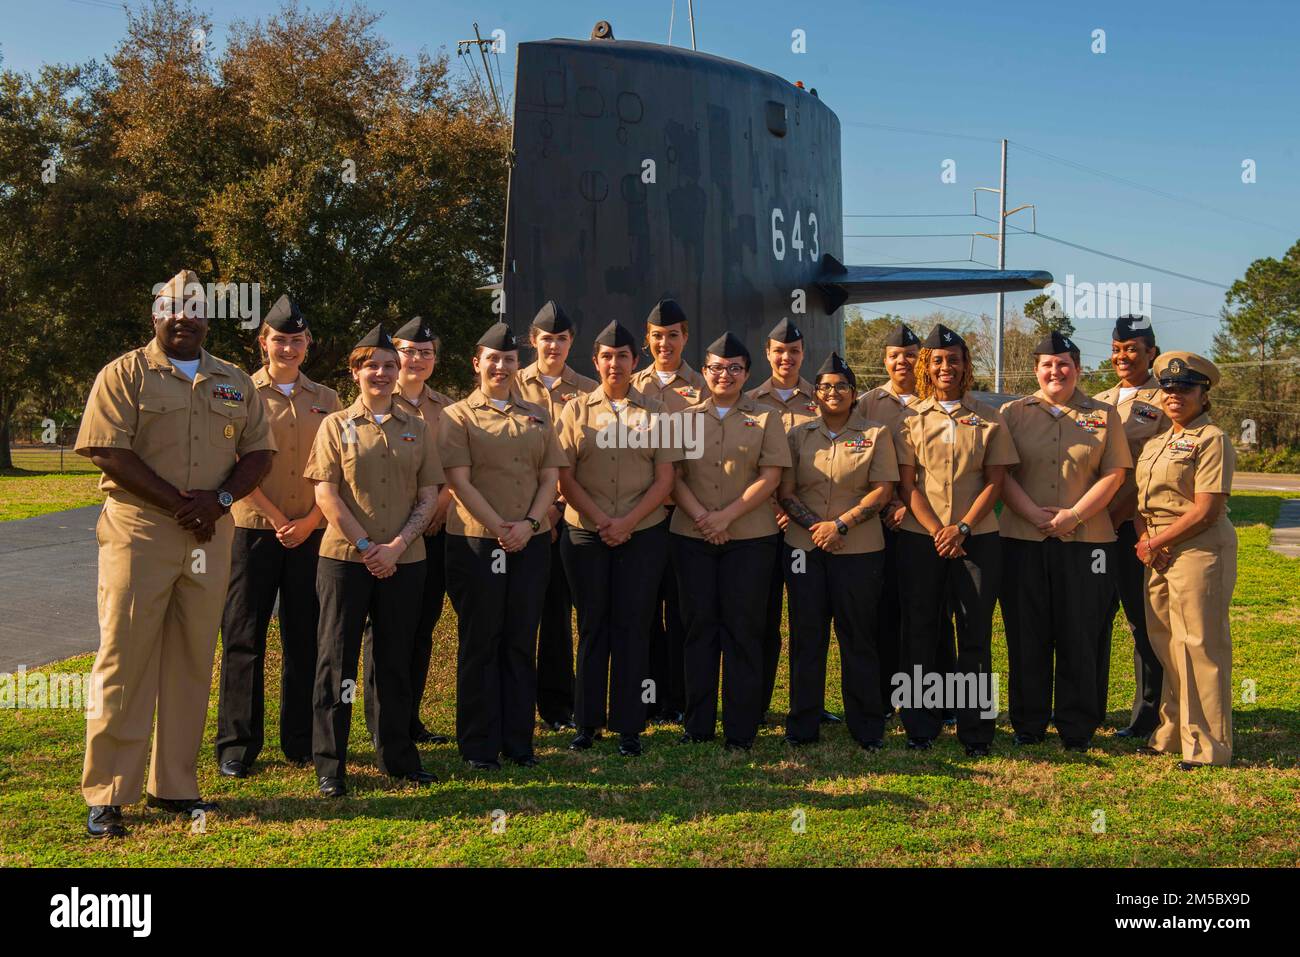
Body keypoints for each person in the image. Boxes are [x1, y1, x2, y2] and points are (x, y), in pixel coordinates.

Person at [75, 269, 275, 838]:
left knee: (191, 659)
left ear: (208, 316)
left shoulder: (234, 381)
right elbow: (108, 450)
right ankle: (109, 791)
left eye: (194, 307)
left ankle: (176, 785)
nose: (183, 316)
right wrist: (181, 505)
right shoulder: (125, 374)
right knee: (124, 658)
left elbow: (260, 452)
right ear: (155, 314)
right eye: (171, 307)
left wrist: (221, 501)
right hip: (140, 532)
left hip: (209, 535)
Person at [305, 324, 443, 797]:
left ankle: (398, 757)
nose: (382, 373)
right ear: (355, 372)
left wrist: (397, 547)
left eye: (389, 365)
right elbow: (326, 493)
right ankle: (330, 763)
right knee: (335, 662)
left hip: (406, 561)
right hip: (346, 560)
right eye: (372, 366)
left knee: (394, 661)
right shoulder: (334, 425)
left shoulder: (418, 427)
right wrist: (367, 548)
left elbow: (429, 495)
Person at [216, 294, 340, 779]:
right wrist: (273, 517)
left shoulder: (327, 399)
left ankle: (301, 739)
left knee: (304, 636)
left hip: (312, 532)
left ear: (307, 344)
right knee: (243, 637)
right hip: (252, 530)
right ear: (262, 342)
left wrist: (310, 520)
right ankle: (237, 744)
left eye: (296, 340)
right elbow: (232, 464)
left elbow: (334, 467)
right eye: (279, 340)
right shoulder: (238, 392)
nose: (287, 348)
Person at [439, 322, 567, 769]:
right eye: (492, 359)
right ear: (477, 363)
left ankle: (518, 741)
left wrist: (530, 523)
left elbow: (550, 476)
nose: (501, 366)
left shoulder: (538, 414)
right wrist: (500, 527)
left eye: (509, 360)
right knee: (481, 640)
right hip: (477, 542)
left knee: (519, 639)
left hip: (530, 543)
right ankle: (478, 745)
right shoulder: (456, 416)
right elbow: (458, 481)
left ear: (518, 364)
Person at [999, 331, 1132, 752]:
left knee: (1081, 631)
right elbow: (1000, 474)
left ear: (1077, 368)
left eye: (1063, 364)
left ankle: (1077, 725)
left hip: (1087, 541)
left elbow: (1115, 474)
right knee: (1026, 631)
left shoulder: (1104, 415)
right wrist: (1034, 515)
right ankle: (1029, 722)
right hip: (1024, 538)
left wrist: (1073, 515)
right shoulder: (1012, 413)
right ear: (1035, 370)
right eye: (1046, 365)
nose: (1055, 371)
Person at [557, 320, 680, 756]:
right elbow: (564, 476)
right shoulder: (573, 411)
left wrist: (627, 521)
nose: (615, 363)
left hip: (642, 533)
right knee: (593, 626)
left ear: (635, 361)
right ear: (595, 362)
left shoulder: (658, 414)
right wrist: (602, 520)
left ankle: (630, 724)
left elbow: (665, 479)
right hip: (585, 533)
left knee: (632, 626)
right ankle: (587, 722)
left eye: (623, 356)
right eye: (607, 356)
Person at [893, 325, 1018, 755]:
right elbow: (907, 486)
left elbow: (996, 481)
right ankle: (920, 725)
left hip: (977, 540)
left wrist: (961, 528)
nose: (946, 366)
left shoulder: (989, 417)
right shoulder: (909, 421)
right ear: (926, 366)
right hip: (920, 539)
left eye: (955, 359)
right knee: (920, 632)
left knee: (975, 633)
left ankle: (976, 730)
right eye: (938, 360)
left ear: (966, 365)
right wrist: (936, 531)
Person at [670, 331, 791, 750]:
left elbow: (771, 476)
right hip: (692, 536)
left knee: (743, 630)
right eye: (717, 368)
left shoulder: (766, 418)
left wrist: (725, 516)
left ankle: (741, 728)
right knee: (698, 628)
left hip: (750, 539)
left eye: (735, 368)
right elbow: (674, 479)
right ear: (704, 372)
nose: (725, 375)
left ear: (746, 373)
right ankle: (698, 724)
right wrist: (704, 518)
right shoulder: (682, 419)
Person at [777, 353, 897, 749]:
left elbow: (882, 491)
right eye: (825, 386)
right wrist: (818, 527)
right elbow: (786, 492)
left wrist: (841, 525)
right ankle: (802, 724)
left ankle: (865, 725)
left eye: (841, 385)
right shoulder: (797, 435)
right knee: (807, 637)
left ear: (854, 392)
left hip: (859, 550)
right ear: (815, 394)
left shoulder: (876, 434)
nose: (833, 392)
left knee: (858, 636)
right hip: (805, 548)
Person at [1134, 352, 1236, 769]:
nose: (1174, 394)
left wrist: (1158, 542)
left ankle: (1209, 746)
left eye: (1185, 388)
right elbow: (1139, 506)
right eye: (1168, 388)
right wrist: (1146, 541)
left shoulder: (1212, 439)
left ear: (1203, 394)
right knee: (1168, 643)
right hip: (1158, 550)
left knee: (1200, 644)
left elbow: (1206, 508)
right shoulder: (1157, 443)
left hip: (1198, 547)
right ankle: (1173, 732)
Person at [361, 315, 456, 748]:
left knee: (420, 629)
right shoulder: (376, 396)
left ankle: (409, 718)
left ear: (435, 360)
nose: (416, 359)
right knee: (380, 631)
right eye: (408, 351)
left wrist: (438, 509)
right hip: (383, 538)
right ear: (394, 357)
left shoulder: (448, 409)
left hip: (433, 535)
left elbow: (455, 470)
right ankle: (379, 722)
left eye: (425, 352)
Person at [860, 322, 955, 720]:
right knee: (885, 611)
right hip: (879, 523)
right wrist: (888, 506)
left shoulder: (938, 402)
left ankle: (942, 699)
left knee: (934, 612)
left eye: (911, 355)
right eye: (895, 356)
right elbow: (858, 460)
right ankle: (884, 697)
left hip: (926, 524)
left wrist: (908, 506)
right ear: (884, 361)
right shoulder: (867, 403)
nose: (903, 361)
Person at [514, 301, 599, 732]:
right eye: (546, 338)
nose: (553, 345)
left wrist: (559, 508)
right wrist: (537, 511)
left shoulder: (588, 390)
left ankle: (559, 705)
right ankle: (512, 702)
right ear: (534, 341)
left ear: (571, 343)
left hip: (568, 518)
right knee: (519, 616)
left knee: (560, 615)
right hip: (520, 519)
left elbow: (588, 461)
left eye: (562, 339)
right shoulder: (509, 385)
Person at [745, 317, 827, 724]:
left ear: (802, 355)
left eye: (793, 351)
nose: (786, 358)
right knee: (761, 621)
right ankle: (755, 704)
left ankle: (806, 706)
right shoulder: (748, 400)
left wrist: (792, 512)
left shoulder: (821, 399)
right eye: (779, 351)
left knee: (806, 622)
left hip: (805, 530)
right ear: (767, 354)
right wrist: (774, 508)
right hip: (760, 527)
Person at [1092, 315, 1169, 738]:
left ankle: (1147, 715)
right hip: (1093, 528)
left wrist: (1117, 512)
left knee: (1141, 620)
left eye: (1132, 349)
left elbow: (1151, 469)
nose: (1123, 356)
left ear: (1151, 353)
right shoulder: (1098, 400)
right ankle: (1091, 706)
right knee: (1094, 617)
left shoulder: (1165, 400)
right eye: (1118, 349)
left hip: (1131, 527)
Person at [630, 298, 705, 725]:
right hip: (642, 516)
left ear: (685, 338)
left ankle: (678, 698)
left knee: (680, 614)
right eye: (657, 336)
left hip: (682, 515)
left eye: (672, 335)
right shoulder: (632, 385)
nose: (664, 343)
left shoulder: (703, 385)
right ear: (648, 339)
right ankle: (647, 696)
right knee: (642, 613)